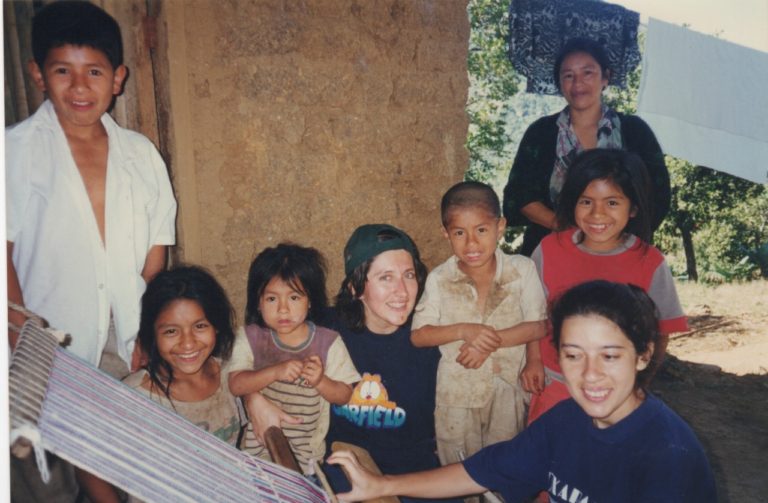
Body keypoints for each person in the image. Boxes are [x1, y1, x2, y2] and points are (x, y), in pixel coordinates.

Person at [328, 281, 717, 503]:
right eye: (573, 355)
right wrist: (382, 485)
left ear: (643, 355)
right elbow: (480, 470)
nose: (590, 375)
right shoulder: (567, 421)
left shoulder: (668, 456)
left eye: (610, 356)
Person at [6, 2, 176, 500]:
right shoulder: (14, 153)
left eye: (94, 72)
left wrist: (147, 327)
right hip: (39, 339)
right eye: (64, 71)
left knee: (121, 455)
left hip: (121, 337)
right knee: (47, 474)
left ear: (118, 78)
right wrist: (22, 335)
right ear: (38, 74)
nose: (80, 88)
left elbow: (155, 258)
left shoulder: (142, 156)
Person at [521, 149, 688, 425]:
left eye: (612, 203)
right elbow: (533, 313)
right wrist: (533, 359)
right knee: (550, 458)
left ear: (633, 207)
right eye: (586, 201)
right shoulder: (549, 250)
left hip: (615, 393)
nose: (597, 214)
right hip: (555, 385)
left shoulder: (650, 262)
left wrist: (639, 382)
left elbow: (661, 334)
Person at [317, 224, 458, 503]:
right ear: (355, 286)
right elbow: (260, 344)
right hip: (346, 467)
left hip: (417, 475)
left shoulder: (431, 335)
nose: (402, 291)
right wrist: (253, 400)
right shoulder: (327, 330)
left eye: (409, 275)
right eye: (385, 278)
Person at [410, 181, 547, 471]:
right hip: (456, 395)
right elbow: (419, 335)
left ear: (500, 227)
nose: (471, 244)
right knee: (460, 467)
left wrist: (532, 359)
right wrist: (463, 331)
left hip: (508, 388)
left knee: (506, 465)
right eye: (459, 233)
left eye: (481, 230)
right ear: (446, 233)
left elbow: (538, 326)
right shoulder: (439, 279)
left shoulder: (522, 270)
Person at [502, 37, 670, 256]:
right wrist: (569, 230)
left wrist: (616, 239)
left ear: (605, 77)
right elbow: (520, 195)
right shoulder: (541, 133)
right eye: (568, 75)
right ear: (559, 83)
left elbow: (657, 195)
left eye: (587, 73)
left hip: (619, 253)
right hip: (550, 252)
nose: (578, 84)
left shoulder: (634, 131)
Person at [227, 243, 360, 473]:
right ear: (258, 303)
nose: (283, 309)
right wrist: (275, 371)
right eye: (271, 299)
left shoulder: (328, 343)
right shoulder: (251, 337)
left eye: (294, 298)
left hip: (305, 462)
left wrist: (321, 381)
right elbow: (236, 384)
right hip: (255, 458)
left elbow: (345, 395)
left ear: (310, 301)